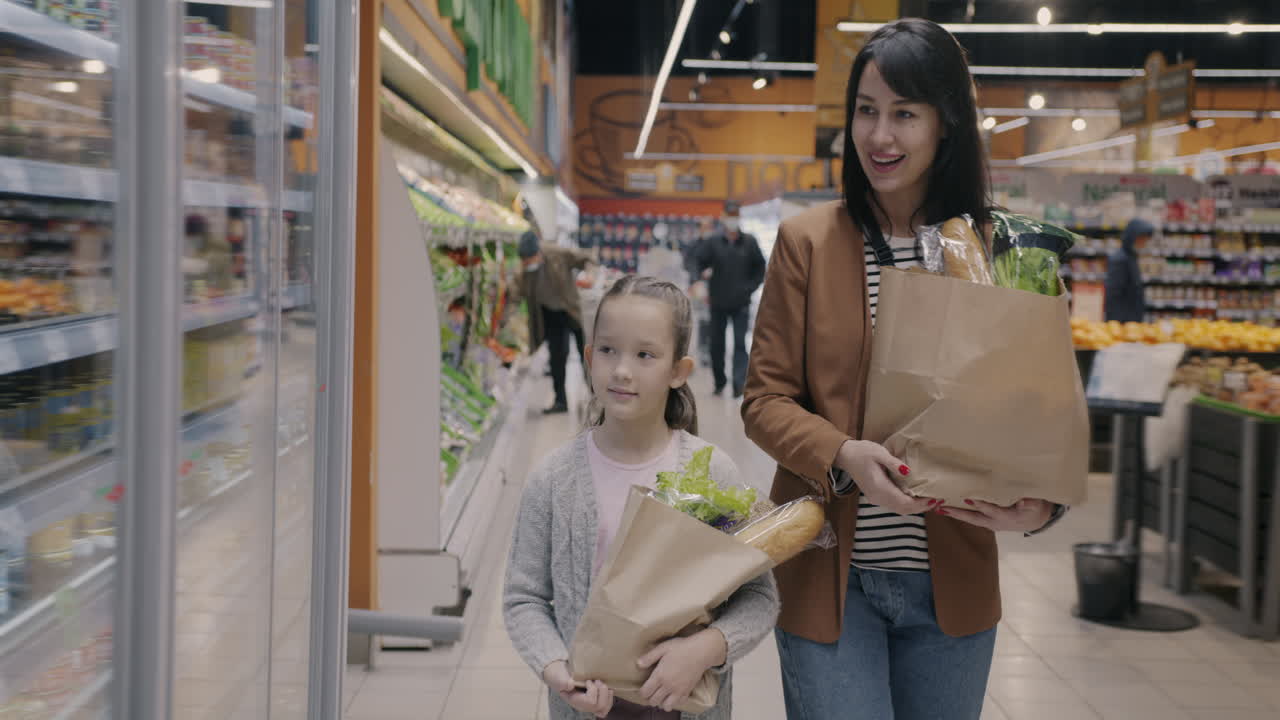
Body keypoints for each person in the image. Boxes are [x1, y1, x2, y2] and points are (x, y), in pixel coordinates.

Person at [740, 18, 1067, 720]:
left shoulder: (1002, 251)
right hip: (831, 575)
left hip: (953, 583)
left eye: (905, 114)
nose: (880, 136)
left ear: (945, 124)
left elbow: (1046, 414)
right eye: (866, 111)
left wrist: (1042, 504)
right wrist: (841, 454)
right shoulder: (808, 243)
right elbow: (763, 400)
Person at [504, 275, 779, 720]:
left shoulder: (710, 472)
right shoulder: (554, 480)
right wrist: (558, 670)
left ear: (678, 371)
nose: (622, 370)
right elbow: (524, 598)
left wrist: (706, 648)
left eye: (645, 354)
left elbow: (758, 598)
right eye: (608, 350)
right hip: (588, 706)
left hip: (685, 703)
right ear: (590, 357)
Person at [693, 204, 766, 397]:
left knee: (740, 345)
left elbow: (761, 269)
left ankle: (738, 385)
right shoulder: (714, 242)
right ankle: (719, 381)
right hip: (717, 302)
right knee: (717, 344)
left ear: (739, 217)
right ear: (723, 217)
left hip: (741, 304)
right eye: (729, 216)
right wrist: (700, 279)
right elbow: (697, 261)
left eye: (735, 216)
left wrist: (749, 288)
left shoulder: (749, 242)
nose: (732, 220)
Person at [516, 231, 592, 414]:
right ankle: (560, 401)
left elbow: (586, 258)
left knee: (587, 354)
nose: (528, 264)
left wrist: (589, 274)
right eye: (524, 261)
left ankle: (596, 397)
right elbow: (515, 293)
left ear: (538, 253)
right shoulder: (524, 272)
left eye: (530, 259)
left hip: (570, 310)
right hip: (549, 315)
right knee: (558, 357)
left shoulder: (557, 253)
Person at [1105, 218, 1154, 323]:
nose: (1144, 243)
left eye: (1146, 239)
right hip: (1123, 321)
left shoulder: (1131, 256)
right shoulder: (1119, 259)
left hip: (1132, 319)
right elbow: (1113, 294)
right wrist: (1117, 323)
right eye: (1142, 238)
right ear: (1132, 237)